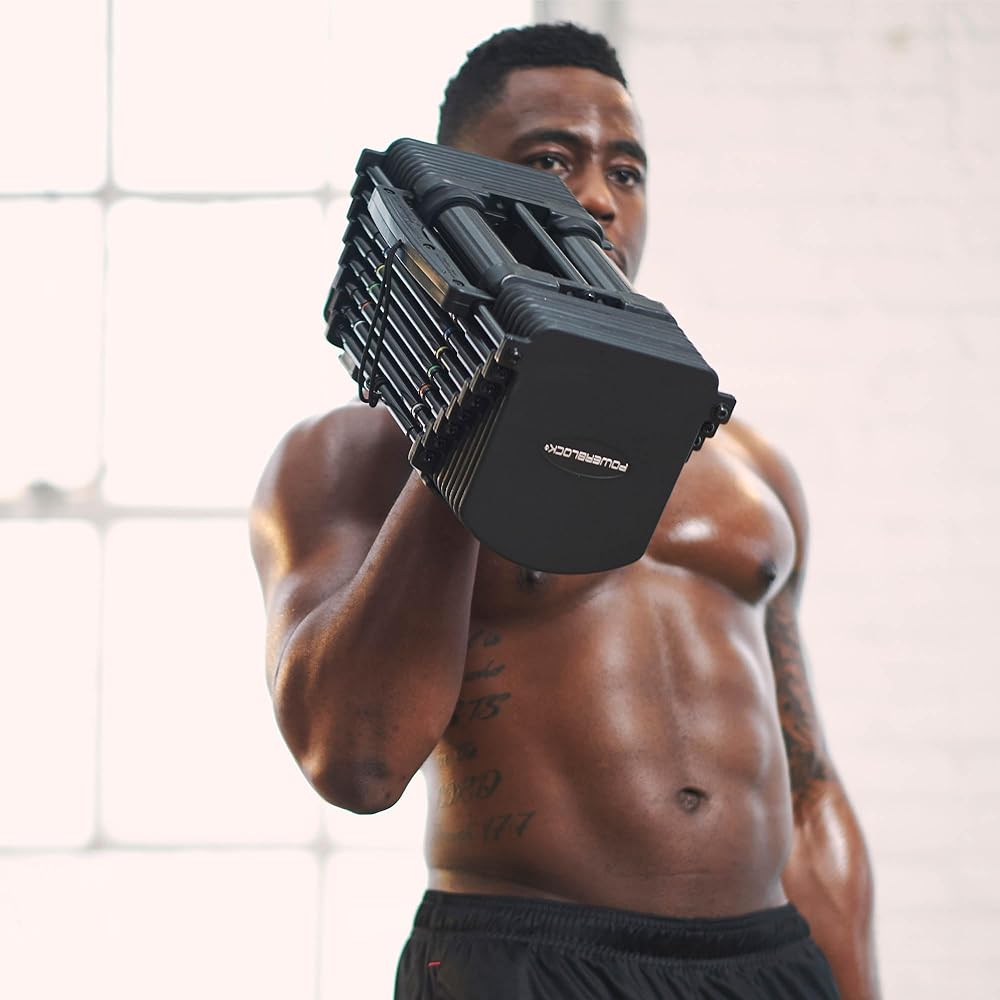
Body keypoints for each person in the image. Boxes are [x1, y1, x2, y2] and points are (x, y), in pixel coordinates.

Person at [250, 22, 880, 1000]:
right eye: (550, 161)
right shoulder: (352, 454)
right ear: (453, 188)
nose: (596, 198)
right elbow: (355, 761)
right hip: (526, 961)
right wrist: (472, 411)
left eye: (626, 171)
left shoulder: (751, 466)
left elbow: (810, 792)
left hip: (767, 962)